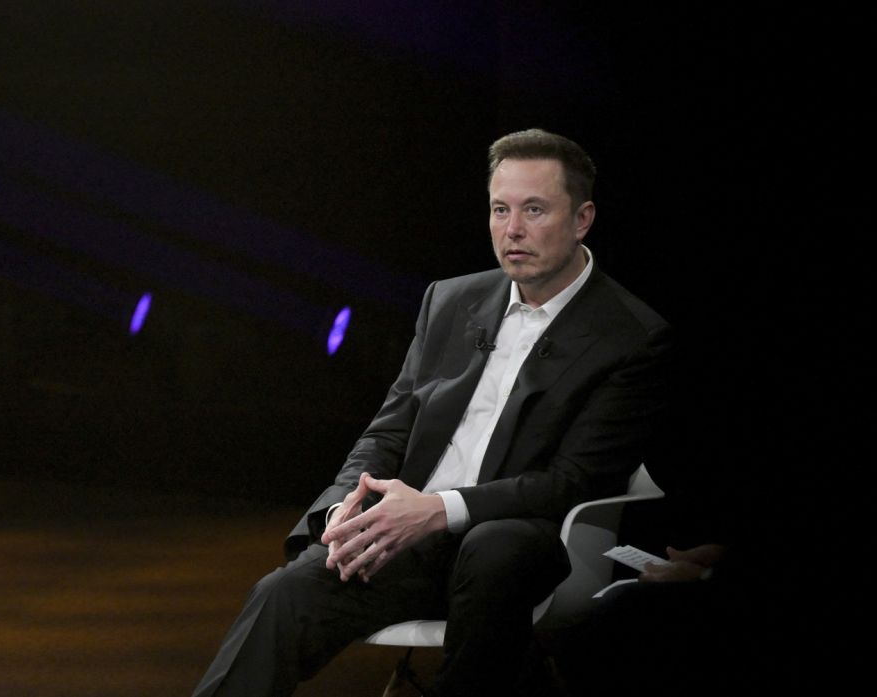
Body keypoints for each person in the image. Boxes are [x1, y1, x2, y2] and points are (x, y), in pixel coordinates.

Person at [192, 128, 674, 697]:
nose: (512, 230)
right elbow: (388, 430)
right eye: (500, 209)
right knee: (283, 593)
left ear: (582, 218)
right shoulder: (450, 299)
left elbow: (572, 482)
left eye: (534, 210)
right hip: (406, 538)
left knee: (494, 549)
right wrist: (343, 510)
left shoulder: (631, 337)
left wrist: (439, 510)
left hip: (521, 547)